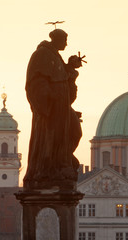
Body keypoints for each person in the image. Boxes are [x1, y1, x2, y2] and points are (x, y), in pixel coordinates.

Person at [24, 29, 82, 189]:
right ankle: (49, 168)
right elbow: (35, 83)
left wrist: (70, 68)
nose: (66, 43)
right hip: (50, 110)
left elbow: (67, 86)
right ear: (56, 39)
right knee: (51, 138)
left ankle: (62, 162)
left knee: (75, 132)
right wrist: (48, 101)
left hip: (62, 107)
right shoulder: (42, 55)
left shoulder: (56, 57)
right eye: (65, 40)